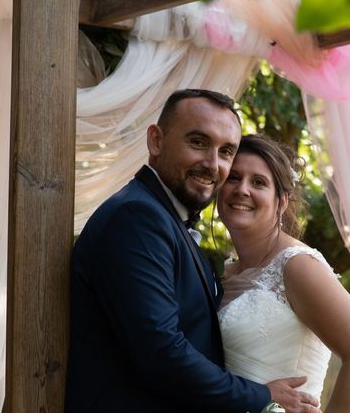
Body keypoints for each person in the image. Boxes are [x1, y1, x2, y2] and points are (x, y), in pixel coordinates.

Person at [65, 90, 320, 412]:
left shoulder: (161, 216)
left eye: (226, 151)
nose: (212, 164)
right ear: (156, 141)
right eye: (198, 143)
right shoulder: (137, 218)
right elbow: (160, 352)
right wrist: (262, 395)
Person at [217, 134, 350, 413]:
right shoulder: (232, 268)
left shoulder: (297, 265)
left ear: (282, 201)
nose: (242, 189)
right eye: (233, 178)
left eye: (258, 182)